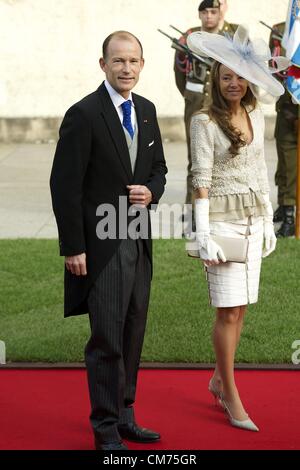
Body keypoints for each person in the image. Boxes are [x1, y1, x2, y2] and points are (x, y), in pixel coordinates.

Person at [50, 31, 167, 451]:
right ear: (103, 64)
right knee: (107, 337)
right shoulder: (83, 114)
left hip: (137, 237)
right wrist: (73, 247)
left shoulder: (149, 111)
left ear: (141, 64)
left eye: (133, 61)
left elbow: (160, 170)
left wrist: (153, 191)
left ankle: (125, 416)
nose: (126, 68)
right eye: (118, 61)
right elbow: (64, 187)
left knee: (133, 330)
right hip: (100, 245)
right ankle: (104, 428)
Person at [187, 25, 288, 431]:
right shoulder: (202, 121)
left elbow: (260, 169)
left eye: (239, 75)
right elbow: (200, 178)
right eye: (225, 75)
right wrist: (202, 233)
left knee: (240, 308)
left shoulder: (256, 114)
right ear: (216, 79)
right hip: (220, 223)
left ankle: (216, 378)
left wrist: (267, 220)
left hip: (252, 221)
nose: (233, 82)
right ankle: (229, 393)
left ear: (249, 79)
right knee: (227, 312)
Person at [174, 0, 237, 211]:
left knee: (225, 153)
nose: (209, 16)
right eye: (205, 12)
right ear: (199, 15)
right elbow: (179, 73)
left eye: (213, 11)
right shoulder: (189, 37)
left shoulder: (231, 34)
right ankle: (192, 208)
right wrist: (191, 97)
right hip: (196, 103)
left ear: (221, 12)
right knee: (195, 156)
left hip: (223, 103)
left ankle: (220, 204)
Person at [269, 22, 299, 237]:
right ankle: (287, 210)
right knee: (286, 162)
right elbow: (272, 67)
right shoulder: (281, 29)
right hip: (287, 108)